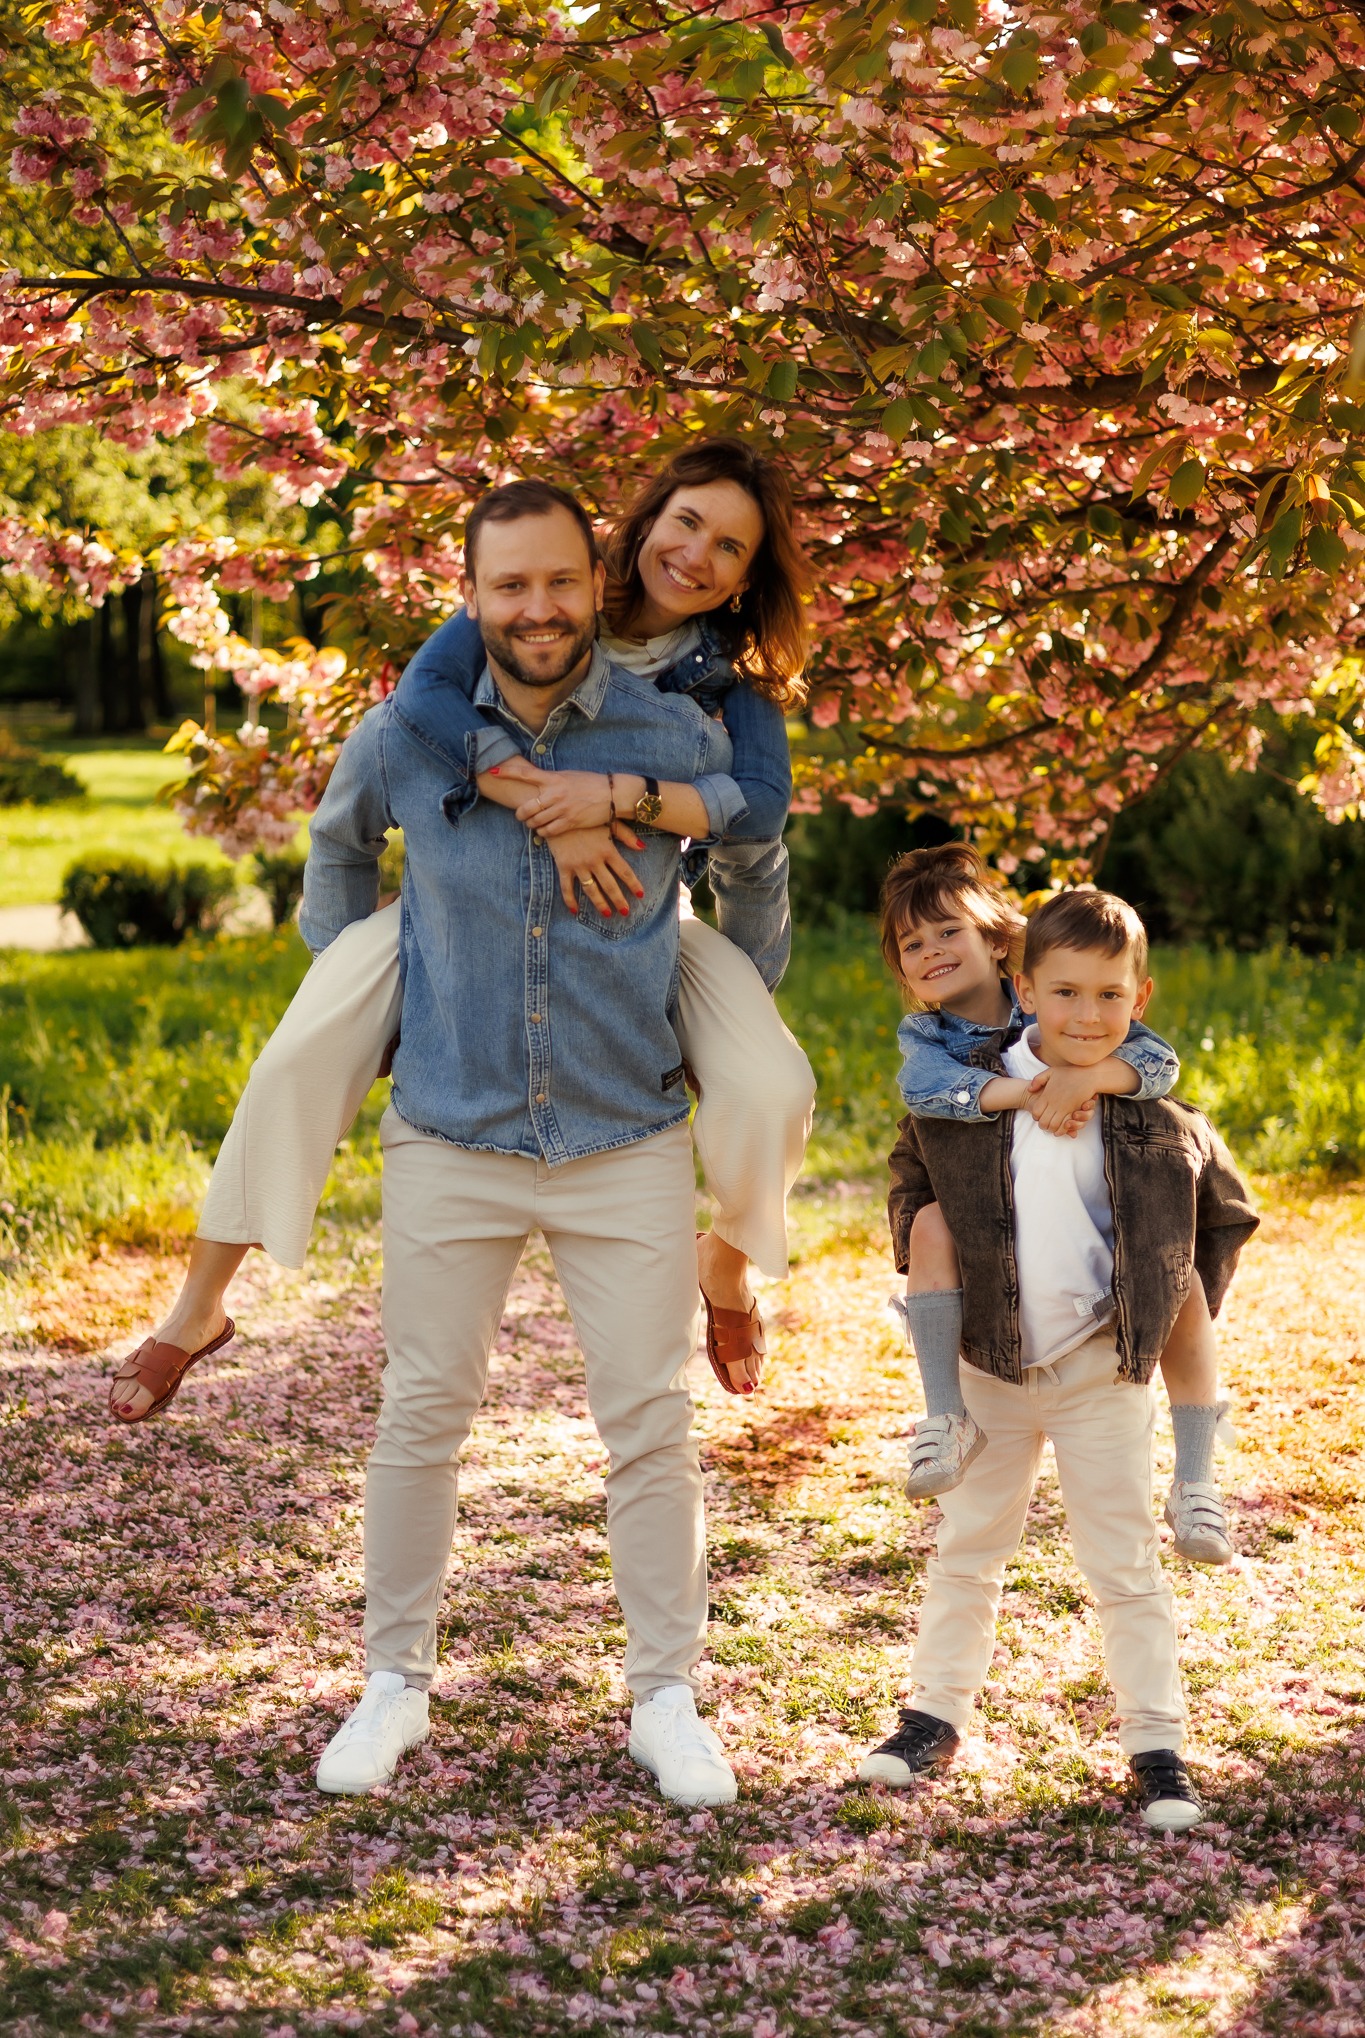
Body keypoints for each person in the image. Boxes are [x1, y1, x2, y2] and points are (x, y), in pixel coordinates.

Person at [107, 440, 816, 1424]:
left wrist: (729, 974)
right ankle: (199, 1306)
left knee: (776, 1087)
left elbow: (758, 822)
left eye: (730, 547)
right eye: (687, 521)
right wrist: (544, 820)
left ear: (747, 580)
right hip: (464, 901)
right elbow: (422, 704)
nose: (696, 554)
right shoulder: (543, 602)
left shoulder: (726, 693)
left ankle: (729, 1267)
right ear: (645, 520)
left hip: (649, 910)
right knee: (299, 1056)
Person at [298, 479, 742, 1802]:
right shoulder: (410, 733)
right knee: (421, 1411)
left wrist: (739, 1004)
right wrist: (357, 1000)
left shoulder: (671, 727)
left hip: (627, 1129)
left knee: (649, 1421)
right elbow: (336, 850)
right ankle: (394, 1684)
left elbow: (756, 846)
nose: (536, 609)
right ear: (472, 593)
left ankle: (667, 1697)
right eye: (508, 587)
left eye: (558, 581)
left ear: (591, 577)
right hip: (451, 1128)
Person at [858, 887, 1258, 1831]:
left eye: (1108, 997)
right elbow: (909, 1183)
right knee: (968, 1548)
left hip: (1097, 1373)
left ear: (1139, 997)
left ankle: (1157, 1746)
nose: (1087, 1016)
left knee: (1123, 1564)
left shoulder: (1157, 1113)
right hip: (991, 1369)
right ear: (1025, 988)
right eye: (1066, 993)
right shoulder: (970, 1089)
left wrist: (1163, 1308)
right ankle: (930, 1718)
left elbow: (1223, 1215)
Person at [882, 846, 1234, 1566]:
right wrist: (1034, 1093)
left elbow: (1155, 1060)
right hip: (983, 1243)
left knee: (1180, 1279)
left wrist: (1093, 1076)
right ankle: (945, 1415)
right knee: (928, 1224)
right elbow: (922, 1091)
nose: (931, 950)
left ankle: (1196, 1476)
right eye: (911, 944)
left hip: (1090, 1295)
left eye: (948, 930)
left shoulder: (1061, 1003)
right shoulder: (930, 1040)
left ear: (998, 944)